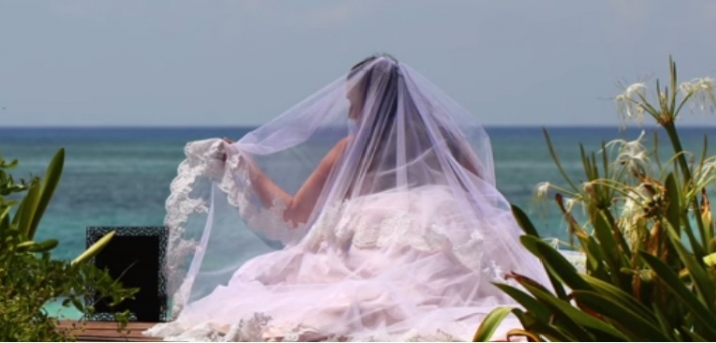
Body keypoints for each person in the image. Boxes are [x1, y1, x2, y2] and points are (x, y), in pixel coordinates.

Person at [146, 55, 547, 342]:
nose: (353, 114)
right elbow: (485, 202)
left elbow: (293, 219)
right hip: (446, 260)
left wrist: (245, 168)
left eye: (355, 105)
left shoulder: (348, 151)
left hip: (371, 262)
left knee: (285, 290)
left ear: (369, 106)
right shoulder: (448, 144)